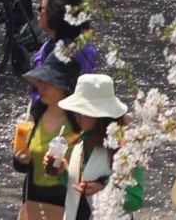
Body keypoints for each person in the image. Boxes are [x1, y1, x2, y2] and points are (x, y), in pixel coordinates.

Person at [59, 76, 138, 214]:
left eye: (82, 112)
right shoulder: (81, 142)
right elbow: (78, 188)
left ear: (101, 116)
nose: (76, 116)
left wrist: (104, 188)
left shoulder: (123, 149)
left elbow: (135, 200)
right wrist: (62, 172)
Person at [12, 64, 75, 219]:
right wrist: (22, 160)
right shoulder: (33, 117)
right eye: (40, 82)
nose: (41, 88)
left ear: (64, 88)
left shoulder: (77, 121)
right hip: (35, 199)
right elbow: (21, 165)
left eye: (48, 83)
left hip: (66, 200)